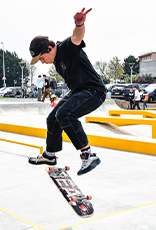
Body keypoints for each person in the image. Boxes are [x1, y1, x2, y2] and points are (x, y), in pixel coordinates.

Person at [28, 8, 106, 176]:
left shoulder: (66, 48)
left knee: (65, 114)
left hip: (94, 91)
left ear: (49, 48)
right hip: (78, 91)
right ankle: (50, 155)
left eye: (42, 58)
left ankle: (88, 155)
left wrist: (80, 24)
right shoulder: (56, 60)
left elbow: (77, 37)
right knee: (53, 118)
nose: (42, 62)